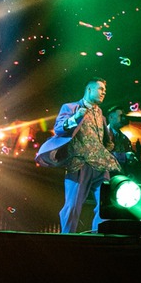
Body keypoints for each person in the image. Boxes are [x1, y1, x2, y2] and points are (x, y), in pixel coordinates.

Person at [52, 78, 121, 233]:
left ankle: (98, 237)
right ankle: (66, 239)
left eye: (105, 90)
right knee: (72, 207)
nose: (104, 92)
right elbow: (58, 128)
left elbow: (105, 141)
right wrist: (75, 117)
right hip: (80, 165)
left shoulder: (100, 114)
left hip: (100, 166)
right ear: (89, 89)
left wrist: (107, 149)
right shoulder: (71, 107)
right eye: (100, 89)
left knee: (106, 205)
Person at [106, 104, 139, 176]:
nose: (123, 119)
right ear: (111, 117)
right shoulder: (102, 135)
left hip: (119, 177)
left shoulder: (125, 138)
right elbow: (102, 155)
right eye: (120, 116)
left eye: (123, 116)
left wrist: (131, 161)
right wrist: (124, 156)